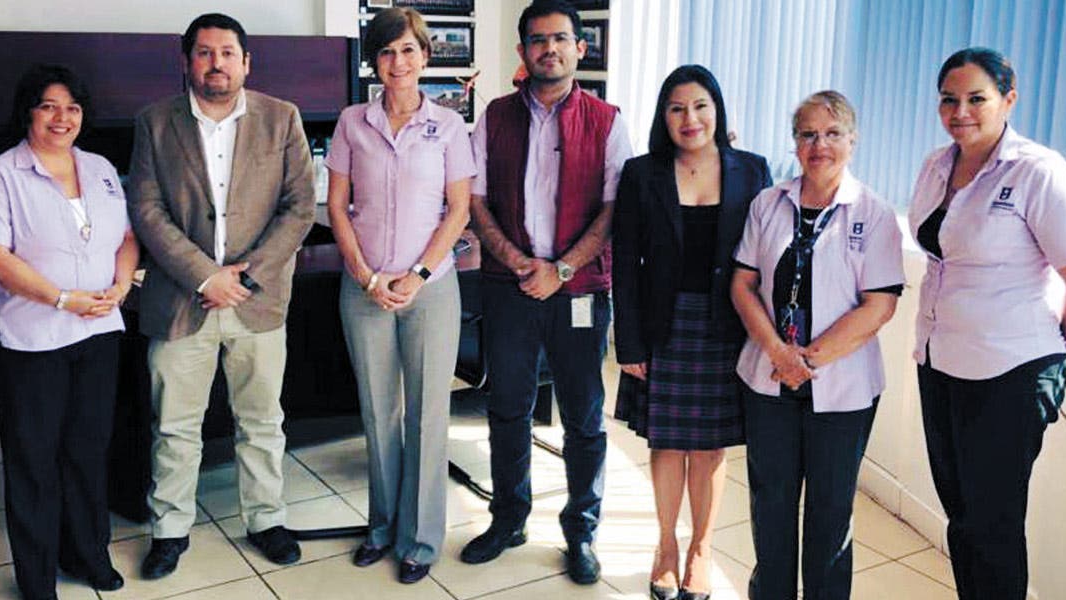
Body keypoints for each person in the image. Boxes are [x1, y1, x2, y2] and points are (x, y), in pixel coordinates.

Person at [910, 47, 1066, 600]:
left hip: (1008, 374)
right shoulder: (937, 164)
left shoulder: (1037, 171)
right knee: (961, 518)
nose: (960, 112)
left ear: (1009, 100)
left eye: (977, 98)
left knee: (993, 526)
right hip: (939, 362)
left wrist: (1044, 356)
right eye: (949, 100)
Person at [127, 12, 316, 579]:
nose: (217, 63)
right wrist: (206, 277)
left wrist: (244, 278)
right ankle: (170, 529)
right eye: (205, 52)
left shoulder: (281, 117)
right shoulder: (154, 122)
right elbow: (146, 209)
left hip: (258, 303)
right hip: (181, 301)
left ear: (246, 62)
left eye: (228, 52)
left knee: (261, 421)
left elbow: (300, 208)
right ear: (187, 61)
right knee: (174, 426)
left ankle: (266, 519)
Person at [458, 0, 633, 585]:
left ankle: (581, 531)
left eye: (560, 39)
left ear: (580, 48)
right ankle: (508, 519)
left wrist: (559, 270)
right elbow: (475, 200)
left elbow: (614, 209)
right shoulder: (495, 116)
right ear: (523, 51)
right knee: (507, 407)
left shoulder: (607, 121)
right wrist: (517, 263)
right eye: (537, 40)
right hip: (508, 289)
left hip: (579, 289)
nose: (549, 49)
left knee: (583, 417)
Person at [0, 64, 138, 600]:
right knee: (33, 460)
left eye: (73, 108)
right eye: (49, 106)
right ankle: (37, 577)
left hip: (99, 333)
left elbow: (126, 237)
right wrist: (62, 298)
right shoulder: (0, 175)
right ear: (28, 112)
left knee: (87, 451)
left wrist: (121, 285)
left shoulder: (100, 168)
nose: (62, 118)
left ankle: (88, 554)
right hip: (31, 340)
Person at [730, 91, 905, 600]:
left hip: (843, 388)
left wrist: (807, 360)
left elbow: (879, 305)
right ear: (795, 143)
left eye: (832, 134)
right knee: (771, 505)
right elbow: (742, 284)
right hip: (768, 380)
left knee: (830, 513)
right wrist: (778, 353)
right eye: (807, 134)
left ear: (853, 141)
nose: (819, 145)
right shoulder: (768, 203)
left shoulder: (874, 213)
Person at [325, 7, 475, 585]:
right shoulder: (352, 122)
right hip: (363, 287)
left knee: (427, 416)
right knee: (378, 411)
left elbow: (457, 209)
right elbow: (338, 206)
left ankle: (420, 539)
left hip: (430, 289)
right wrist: (366, 276)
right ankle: (382, 527)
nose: (398, 61)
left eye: (409, 49)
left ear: (425, 56)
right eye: (387, 51)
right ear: (375, 61)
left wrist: (416, 274)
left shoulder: (449, 126)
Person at [612, 65, 771, 600]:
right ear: (664, 117)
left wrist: (766, 334)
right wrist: (629, 341)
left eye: (701, 106)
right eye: (677, 108)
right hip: (663, 322)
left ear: (717, 109)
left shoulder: (752, 169)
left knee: (708, 447)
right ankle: (665, 547)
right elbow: (625, 264)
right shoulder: (642, 173)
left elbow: (766, 255)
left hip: (728, 322)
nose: (690, 118)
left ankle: (701, 549)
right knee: (667, 441)